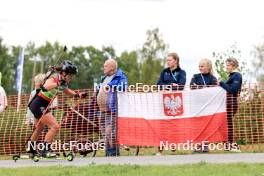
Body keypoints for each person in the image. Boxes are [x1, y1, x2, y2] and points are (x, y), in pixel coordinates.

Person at [27, 60, 86, 157]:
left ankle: (31, 149)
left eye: (72, 76)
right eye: (70, 75)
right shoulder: (54, 79)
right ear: (63, 73)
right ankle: (45, 151)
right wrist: (58, 83)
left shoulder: (64, 83)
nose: (71, 78)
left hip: (41, 104)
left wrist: (78, 95)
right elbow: (46, 87)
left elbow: (67, 92)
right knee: (55, 126)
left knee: (39, 128)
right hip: (39, 103)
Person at [96, 58, 128, 156]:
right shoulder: (103, 78)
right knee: (104, 133)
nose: (103, 68)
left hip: (112, 110)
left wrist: (110, 86)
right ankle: (108, 153)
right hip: (102, 110)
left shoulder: (120, 77)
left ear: (112, 67)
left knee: (110, 132)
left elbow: (123, 87)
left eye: (106, 66)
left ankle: (114, 152)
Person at [190, 59, 217, 153]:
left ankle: (205, 145)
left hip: (208, 106)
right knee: (198, 126)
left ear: (208, 67)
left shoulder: (212, 78)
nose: (200, 68)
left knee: (207, 126)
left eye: (202, 66)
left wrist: (200, 88)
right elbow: (192, 86)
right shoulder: (195, 76)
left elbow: (213, 91)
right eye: (199, 66)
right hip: (197, 105)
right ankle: (197, 145)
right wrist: (204, 89)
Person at [219, 58, 242, 151]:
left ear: (234, 66)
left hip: (231, 103)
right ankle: (228, 145)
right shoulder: (231, 76)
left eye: (228, 65)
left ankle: (232, 144)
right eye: (226, 65)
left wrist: (221, 83)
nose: (226, 67)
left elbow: (233, 90)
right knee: (225, 124)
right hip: (227, 103)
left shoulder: (237, 75)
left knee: (227, 124)